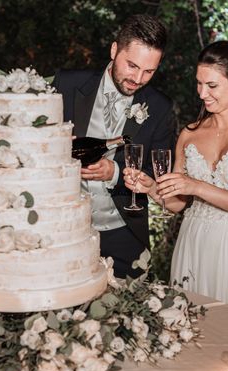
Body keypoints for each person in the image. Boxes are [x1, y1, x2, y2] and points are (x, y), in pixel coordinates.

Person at [124, 40, 228, 335]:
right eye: (198, 84)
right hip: (193, 242)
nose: (201, 93)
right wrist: (151, 188)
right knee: (191, 330)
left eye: (211, 86)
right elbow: (177, 203)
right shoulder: (190, 133)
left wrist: (196, 186)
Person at [53, 14, 175, 279]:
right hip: (61, 232)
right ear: (114, 50)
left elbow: (158, 176)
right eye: (132, 66)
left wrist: (115, 173)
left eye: (149, 71)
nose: (138, 78)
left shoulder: (160, 108)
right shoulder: (66, 85)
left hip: (123, 236)